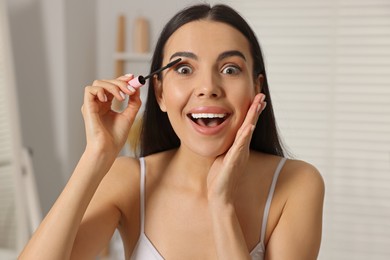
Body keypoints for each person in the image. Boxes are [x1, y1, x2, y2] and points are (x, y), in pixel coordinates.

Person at [19, 3, 324, 260]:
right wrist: (96, 155)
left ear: (256, 87)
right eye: (184, 69)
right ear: (161, 93)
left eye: (230, 69)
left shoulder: (296, 184)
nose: (208, 88)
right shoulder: (128, 180)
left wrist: (222, 205)